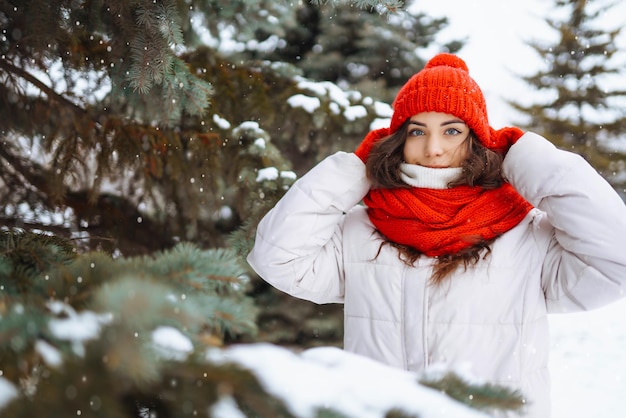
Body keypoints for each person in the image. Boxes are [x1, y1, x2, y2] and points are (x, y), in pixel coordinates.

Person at [246, 53, 626, 417]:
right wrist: (355, 170)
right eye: (417, 131)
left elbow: (614, 259)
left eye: (452, 130)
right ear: (398, 139)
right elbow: (277, 258)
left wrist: (524, 157)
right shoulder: (362, 230)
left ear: (478, 138)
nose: (433, 148)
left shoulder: (524, 234)